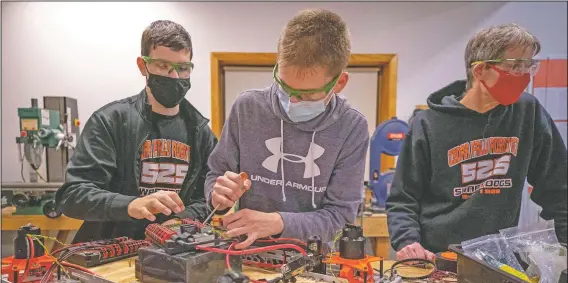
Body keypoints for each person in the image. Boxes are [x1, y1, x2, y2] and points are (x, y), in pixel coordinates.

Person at [386, 23, 568, 261]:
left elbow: (558, 188)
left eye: (529, 65)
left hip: (499, 261)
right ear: (481, 70)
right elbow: (403, 199)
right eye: (515, 66)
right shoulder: (427, 123)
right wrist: (408, 241)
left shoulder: (528, 112)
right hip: (439, 259)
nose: (524, 75)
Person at [205, 9, 369, 249]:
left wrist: (278, 223)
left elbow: (340, 219)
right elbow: (215, 175)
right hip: (246, 254)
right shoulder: (247, 108)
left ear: (339, 83)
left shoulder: (352, 127)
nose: (291, 101)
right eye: (283, 86)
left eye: (307, 94)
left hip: (314, 264)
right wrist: (217, 193)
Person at [56, 20, 217, 242]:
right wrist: (130, 205)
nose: (174, 76)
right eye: (163, 66)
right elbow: (73, 196)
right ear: (143, 66)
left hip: (171, 251)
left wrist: (183, 218)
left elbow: (207, 198)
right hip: (109, 250)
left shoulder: (201, 132)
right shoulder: (110, 121)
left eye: (182, 68)